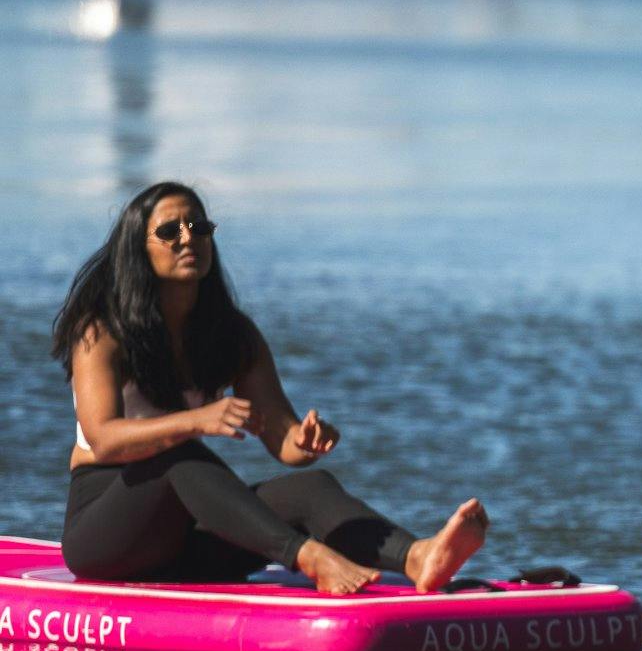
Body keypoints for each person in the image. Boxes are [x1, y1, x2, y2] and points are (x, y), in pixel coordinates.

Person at [51, 182, 491, 596]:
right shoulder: (102, 331)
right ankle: (309, 556)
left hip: (185, 540)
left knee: (311, 486)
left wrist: (305, 440)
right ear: (138, 250)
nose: (189, 238)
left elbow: (282, 439)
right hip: (104, 535)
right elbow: (103, 439)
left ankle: (417, 558)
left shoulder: (232, 335)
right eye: (170, 231)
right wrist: (195, 421)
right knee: (180, 456)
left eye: (199, 227)